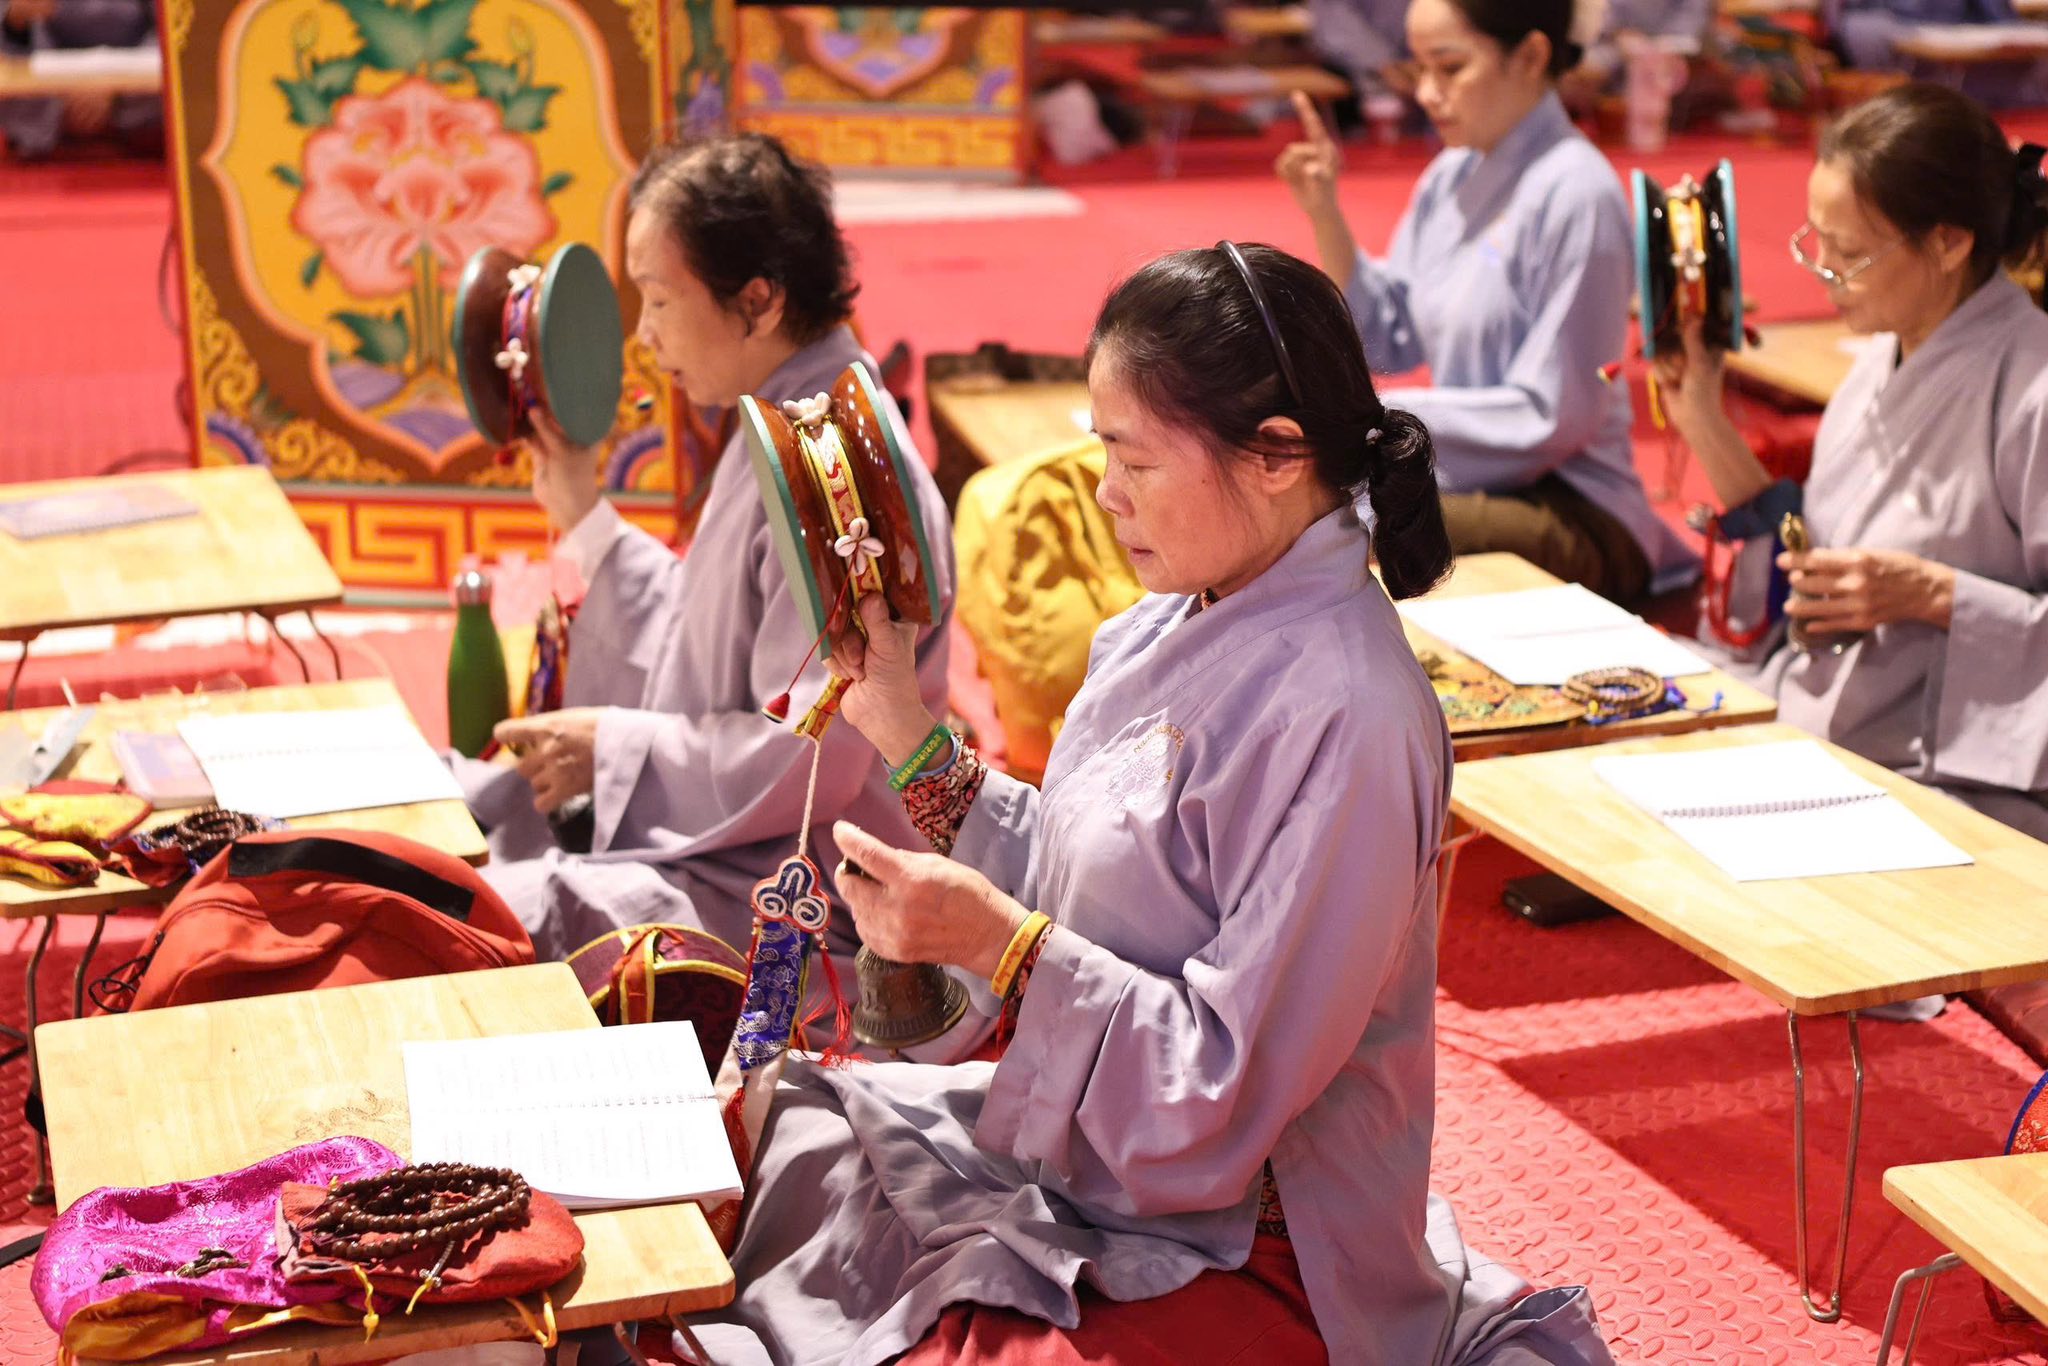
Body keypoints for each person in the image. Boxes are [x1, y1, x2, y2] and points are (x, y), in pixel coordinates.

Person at [685, 244, 1613, 1366]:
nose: (1105, 496)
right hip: (1103, 1163)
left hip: (1253, 1235)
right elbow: (1091, 875)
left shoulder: (1351, 715)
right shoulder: (1173, 619)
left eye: (1133, 461)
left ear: (1277, 456)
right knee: (789, 1143)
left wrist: (998, 944)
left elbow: (1228, 1082)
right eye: (1102, 453)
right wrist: (905, 733)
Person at [454, 132, 956, 969]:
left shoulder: (838, 470)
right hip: (727, 849)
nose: (643, 335)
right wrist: (585, 513)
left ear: (757, 302)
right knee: (448, 827)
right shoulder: (786, 413)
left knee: (471, 921)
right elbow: (706, 638)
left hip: (799, 892)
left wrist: (614, 750)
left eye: (657, 299)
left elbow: (811, 756)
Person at [1654, 82, 2048, 840]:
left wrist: (1937, 595)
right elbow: (1814, 554)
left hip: (1951, 777)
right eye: (1817, 242)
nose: (1822, 272)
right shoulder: (1881, 357)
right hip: (1830, 716)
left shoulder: (2034, 392)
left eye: (1851, 254)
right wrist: (1701, 412)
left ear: (1949, 243)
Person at [1277, 0, 1698, 603]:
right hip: (1485, 480)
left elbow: (1553, 417)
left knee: (1330, 524)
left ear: (1530, 56)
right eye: (1420, 68)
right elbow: (1387, 330)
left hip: (1576, 504)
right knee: (1296, 500)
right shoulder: (1450, 175)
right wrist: (1325, 211)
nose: (1427, 92)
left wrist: (1380, 423)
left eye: (1450, 68)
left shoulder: (1580, 192)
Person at [0, 0, 162, 160]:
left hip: (134, 71)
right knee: (14, 90)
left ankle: (125, 128)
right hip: (55, 73)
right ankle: (67, 125)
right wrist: (16, 23)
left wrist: (115, 86)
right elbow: (19, 47)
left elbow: (165, 28)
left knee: (170, 83)